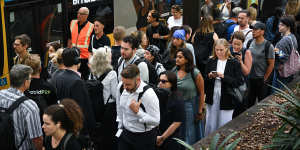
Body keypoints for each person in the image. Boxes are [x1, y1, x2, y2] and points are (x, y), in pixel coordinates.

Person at [51, 47, 96, 140]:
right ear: (77, 61)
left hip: (62, 130)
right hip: (76, 133)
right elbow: (84, 110)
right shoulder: (77, 82)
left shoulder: (57, 77)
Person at [204, 39, 243, 136]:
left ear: (227, 48)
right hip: (212, 95)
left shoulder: (234, 63)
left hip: (227, 97)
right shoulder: (211, 61)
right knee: (210, 121)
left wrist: (223, 76)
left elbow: (238, 82)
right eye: (217, 50)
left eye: (221, 50)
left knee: (224, 122)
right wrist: (209, 76)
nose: (219, 52)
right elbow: (204, 79)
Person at [116, 64, 160, 150]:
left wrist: (138, 112)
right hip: (125, 135)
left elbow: (156, 121)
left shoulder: (149, 94)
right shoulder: (121, 87)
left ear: (138, 80)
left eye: (128, 85)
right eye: (123, 83)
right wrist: (120, 128)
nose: (125, 87)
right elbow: (119, 109)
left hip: (143, 137)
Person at [0, 64, 43, 150]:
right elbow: (37, 138)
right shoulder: (30, 106)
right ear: (25, 82)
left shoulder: (1, 94)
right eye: (30, 79)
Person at [88, 47, 118, 150]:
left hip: (95, 108)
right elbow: (115, 95)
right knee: (109, 137)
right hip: (109, 110)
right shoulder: (112, 74)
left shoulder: (92, 72)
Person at [174, 48, 205, 144]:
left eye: (180, 57)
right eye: (176, 57)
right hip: (177, 106)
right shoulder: (174, 70)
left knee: (189, 132)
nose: (177, 59)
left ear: (187, 59)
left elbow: (201, 92)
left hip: (190, 106)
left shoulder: (195, 73)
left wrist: (200, 111)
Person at [246, 22, 275, 108]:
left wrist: (265, 78)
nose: (253, 31)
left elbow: (271, 65)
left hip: (261, 80)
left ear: (262, 32)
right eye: (252, 29)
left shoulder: (268, 46)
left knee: (261, 105)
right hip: (250, 78)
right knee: (249, 103)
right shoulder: (250, 42)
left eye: (256, 29)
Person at [156, 71, 184, 150]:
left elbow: (177, 122)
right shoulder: (159, 94)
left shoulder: (177, 98)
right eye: (159, 80)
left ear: (172, 83)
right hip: (158, 134)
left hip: (171, 137)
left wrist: (162, 137)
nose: (160, 83)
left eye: (164, 81)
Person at [24, 55, 58, 120]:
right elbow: (54, 109)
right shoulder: (49, 87)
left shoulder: (22, 87)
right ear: (40, 69)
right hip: (45, 122)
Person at [69, 7, 94, 80]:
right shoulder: (72, 22)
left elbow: (92, 44)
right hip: (73, 56)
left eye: (81, 14)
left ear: (86, 15)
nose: (78, 15)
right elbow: (69, 38)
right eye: (78, 13)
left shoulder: (91, 26)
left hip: (84, 58)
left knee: (84, 78)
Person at [273, 16, 298, 87]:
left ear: (288, 27)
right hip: (290, 71)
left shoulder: (284, 41)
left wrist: (276, 51)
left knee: (277, 93)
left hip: (282, 72)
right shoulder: (292, 37)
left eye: (282, 25)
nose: (279, 26)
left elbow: (284, 57)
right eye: (279, 24)